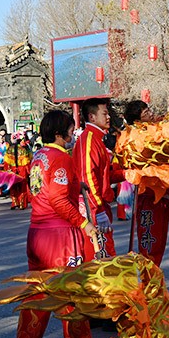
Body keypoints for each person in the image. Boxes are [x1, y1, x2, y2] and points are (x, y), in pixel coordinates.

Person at [12, 110, 108, 338]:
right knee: (73, 293)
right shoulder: (61, 157)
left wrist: (78, 186)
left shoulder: (39, 157)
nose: (72, 133)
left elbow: (44, 192)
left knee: (37, 295)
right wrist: (84, 224)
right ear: (59, 133)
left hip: (37, 233)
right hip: (60, 237)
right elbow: (58, 200)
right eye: (69, 128)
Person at [74, 98, 125, 259]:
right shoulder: (89, 140)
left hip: (99, 205)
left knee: (106, 253)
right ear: (92, 117)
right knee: (100, 257)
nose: (108, 117)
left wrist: (126, 174)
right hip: (93, 208)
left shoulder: (97, 139)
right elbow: (87, 178)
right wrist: (98, 210)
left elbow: (103, 176)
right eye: (104, 113)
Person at [123, 100, 169, 266]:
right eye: (146, 112)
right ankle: (148, 284)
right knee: (150, 244)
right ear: (137, 120)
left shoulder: (154, 131)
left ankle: (155, 282)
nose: (150, 113)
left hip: (161, 195)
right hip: (147, 197)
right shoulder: (135, 137)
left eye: (149, 110)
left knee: (159, 243)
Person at [3, 132, 32, 210]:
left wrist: (7, 170)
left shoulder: (9, 149)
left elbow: (6, 161)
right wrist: (29, 171)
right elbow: (27, 161)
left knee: (13, 186)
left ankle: (15, 202)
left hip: (12, 168)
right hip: (22, 169)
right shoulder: (24, 149)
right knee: (22, 186)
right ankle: (22, 203)